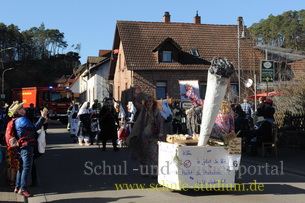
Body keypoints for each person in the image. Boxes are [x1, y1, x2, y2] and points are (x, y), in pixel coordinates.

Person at [8, 101, 47, 197]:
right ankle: (23, 189)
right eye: (21, 108)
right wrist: (43, 117)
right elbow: (34, 127)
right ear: (18, 111)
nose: (24, 109)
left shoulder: (17, 120)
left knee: (21, 168)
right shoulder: (22, 120)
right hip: (27, 146)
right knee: (26, 168)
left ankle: (17, 187)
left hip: (23, 146)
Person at [130, 95, 164, 177]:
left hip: (153, 136)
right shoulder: (143, 111)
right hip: (143, 136)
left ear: (153, 102)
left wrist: (161, 132)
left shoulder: (156, 111)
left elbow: (160, 123)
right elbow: (138, 123)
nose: (149, 103)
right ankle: (144, 171)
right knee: (144, 155)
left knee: (154, 154)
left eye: (150, 101)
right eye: (147, 101)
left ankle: (154, 173)